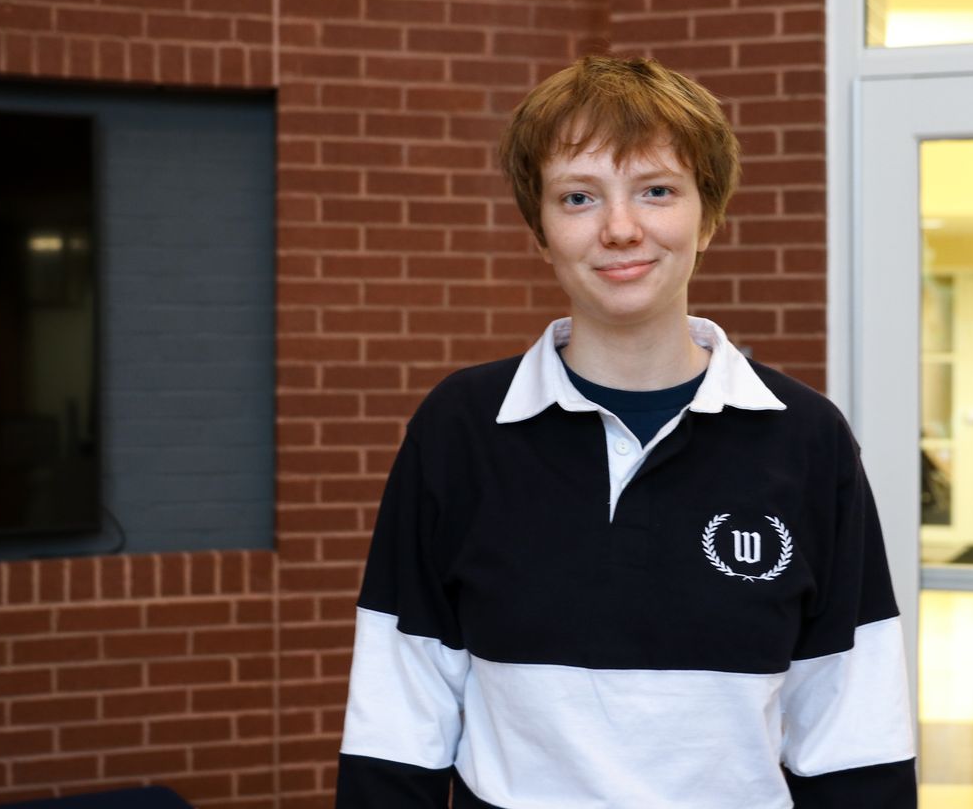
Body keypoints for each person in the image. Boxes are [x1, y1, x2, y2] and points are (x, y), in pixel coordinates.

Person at [335, 56, 917, 808]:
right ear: (540, 230)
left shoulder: (807, 439)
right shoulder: (460, 429)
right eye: (578, 197)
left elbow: (853, 723)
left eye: (656, 191)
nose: (619, 228)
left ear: (707, 216)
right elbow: (399, 710)